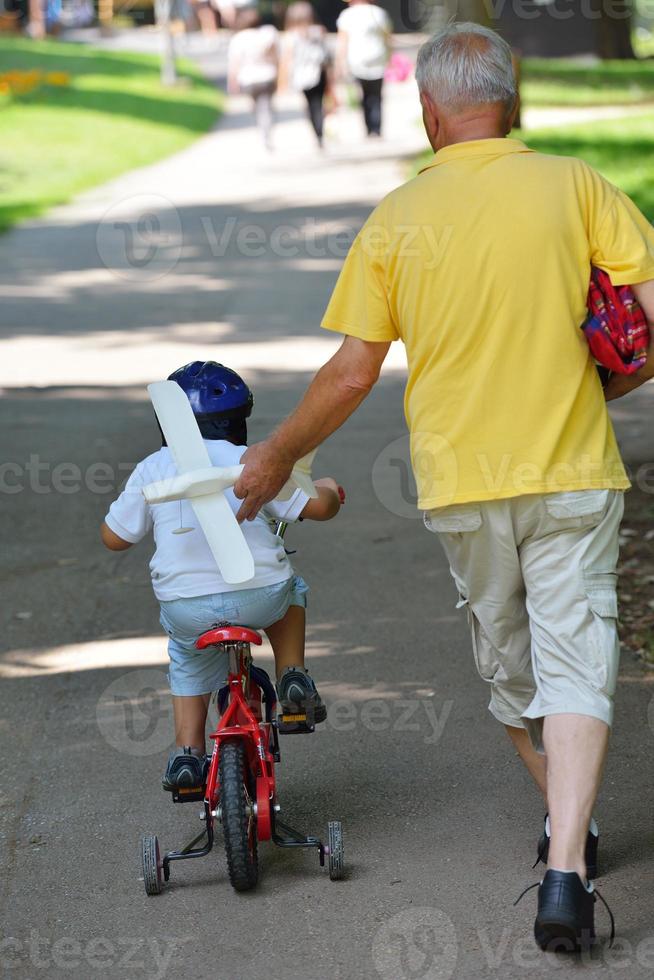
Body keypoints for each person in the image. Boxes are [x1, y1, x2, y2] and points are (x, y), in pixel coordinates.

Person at [233, 24, 654, 952]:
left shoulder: (397, 216)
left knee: (514, 669)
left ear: (428, 111)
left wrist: (275, 459)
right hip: (576, 469)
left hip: (465, 484)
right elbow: (650, 318)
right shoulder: (577, 184)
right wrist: (612, 383)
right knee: (579, 654)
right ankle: (568, 850)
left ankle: (567, 856)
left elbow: (350, 374)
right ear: (512, 101)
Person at [100, 361, 342, 793]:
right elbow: (318, 508)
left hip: (187, 607)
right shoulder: (255, 462)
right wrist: (327, 488)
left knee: (188, 656)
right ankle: (292, 676)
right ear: (239, 420)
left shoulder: (152, 468)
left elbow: (115, 539)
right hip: (259, 595)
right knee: (290, 595)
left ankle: (187, 757)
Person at [336, 0, 391, 138]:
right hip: (378, 59)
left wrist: (340, 63)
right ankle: (376, 128)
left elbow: (342, 41)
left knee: (364, 96)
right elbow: (387, 38)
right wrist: (390, 57)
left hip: (357, 62)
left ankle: (369, 128)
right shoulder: (380, 13)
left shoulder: (347, 15)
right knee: (377, 96)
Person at [227, 8, 280, 151]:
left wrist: (232, 82)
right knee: (267, 106)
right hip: (267, 75)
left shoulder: (238, 38)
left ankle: (263, 129)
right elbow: (276, 57)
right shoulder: (268, 33)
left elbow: (234, 64)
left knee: (257, 106)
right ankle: (266, 130)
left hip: (248, 79)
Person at [281, 1, 332, 148]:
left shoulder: (291, 36)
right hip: (319, 73)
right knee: (318, 104)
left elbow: (287, 60)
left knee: (311, 105)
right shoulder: (318, 31)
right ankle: (320, 131)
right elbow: (326, 56)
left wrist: (283, 81)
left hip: (302, 76)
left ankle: (317, 133)